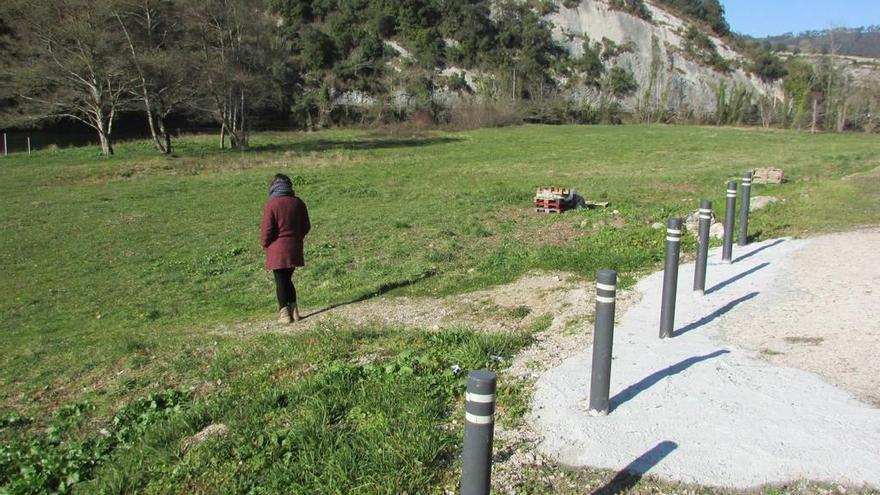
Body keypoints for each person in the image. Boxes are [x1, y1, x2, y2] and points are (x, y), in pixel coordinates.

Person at [260, 174, 311, 324]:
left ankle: (284, 314)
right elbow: (306, 226)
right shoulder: (298, 203)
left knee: (281, 281)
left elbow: (267, 230)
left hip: (277, 249)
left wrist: (264, 243)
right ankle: (294, 311)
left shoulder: (272, 204)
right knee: (287, 279)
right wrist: (296, 237)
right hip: (294, 247)